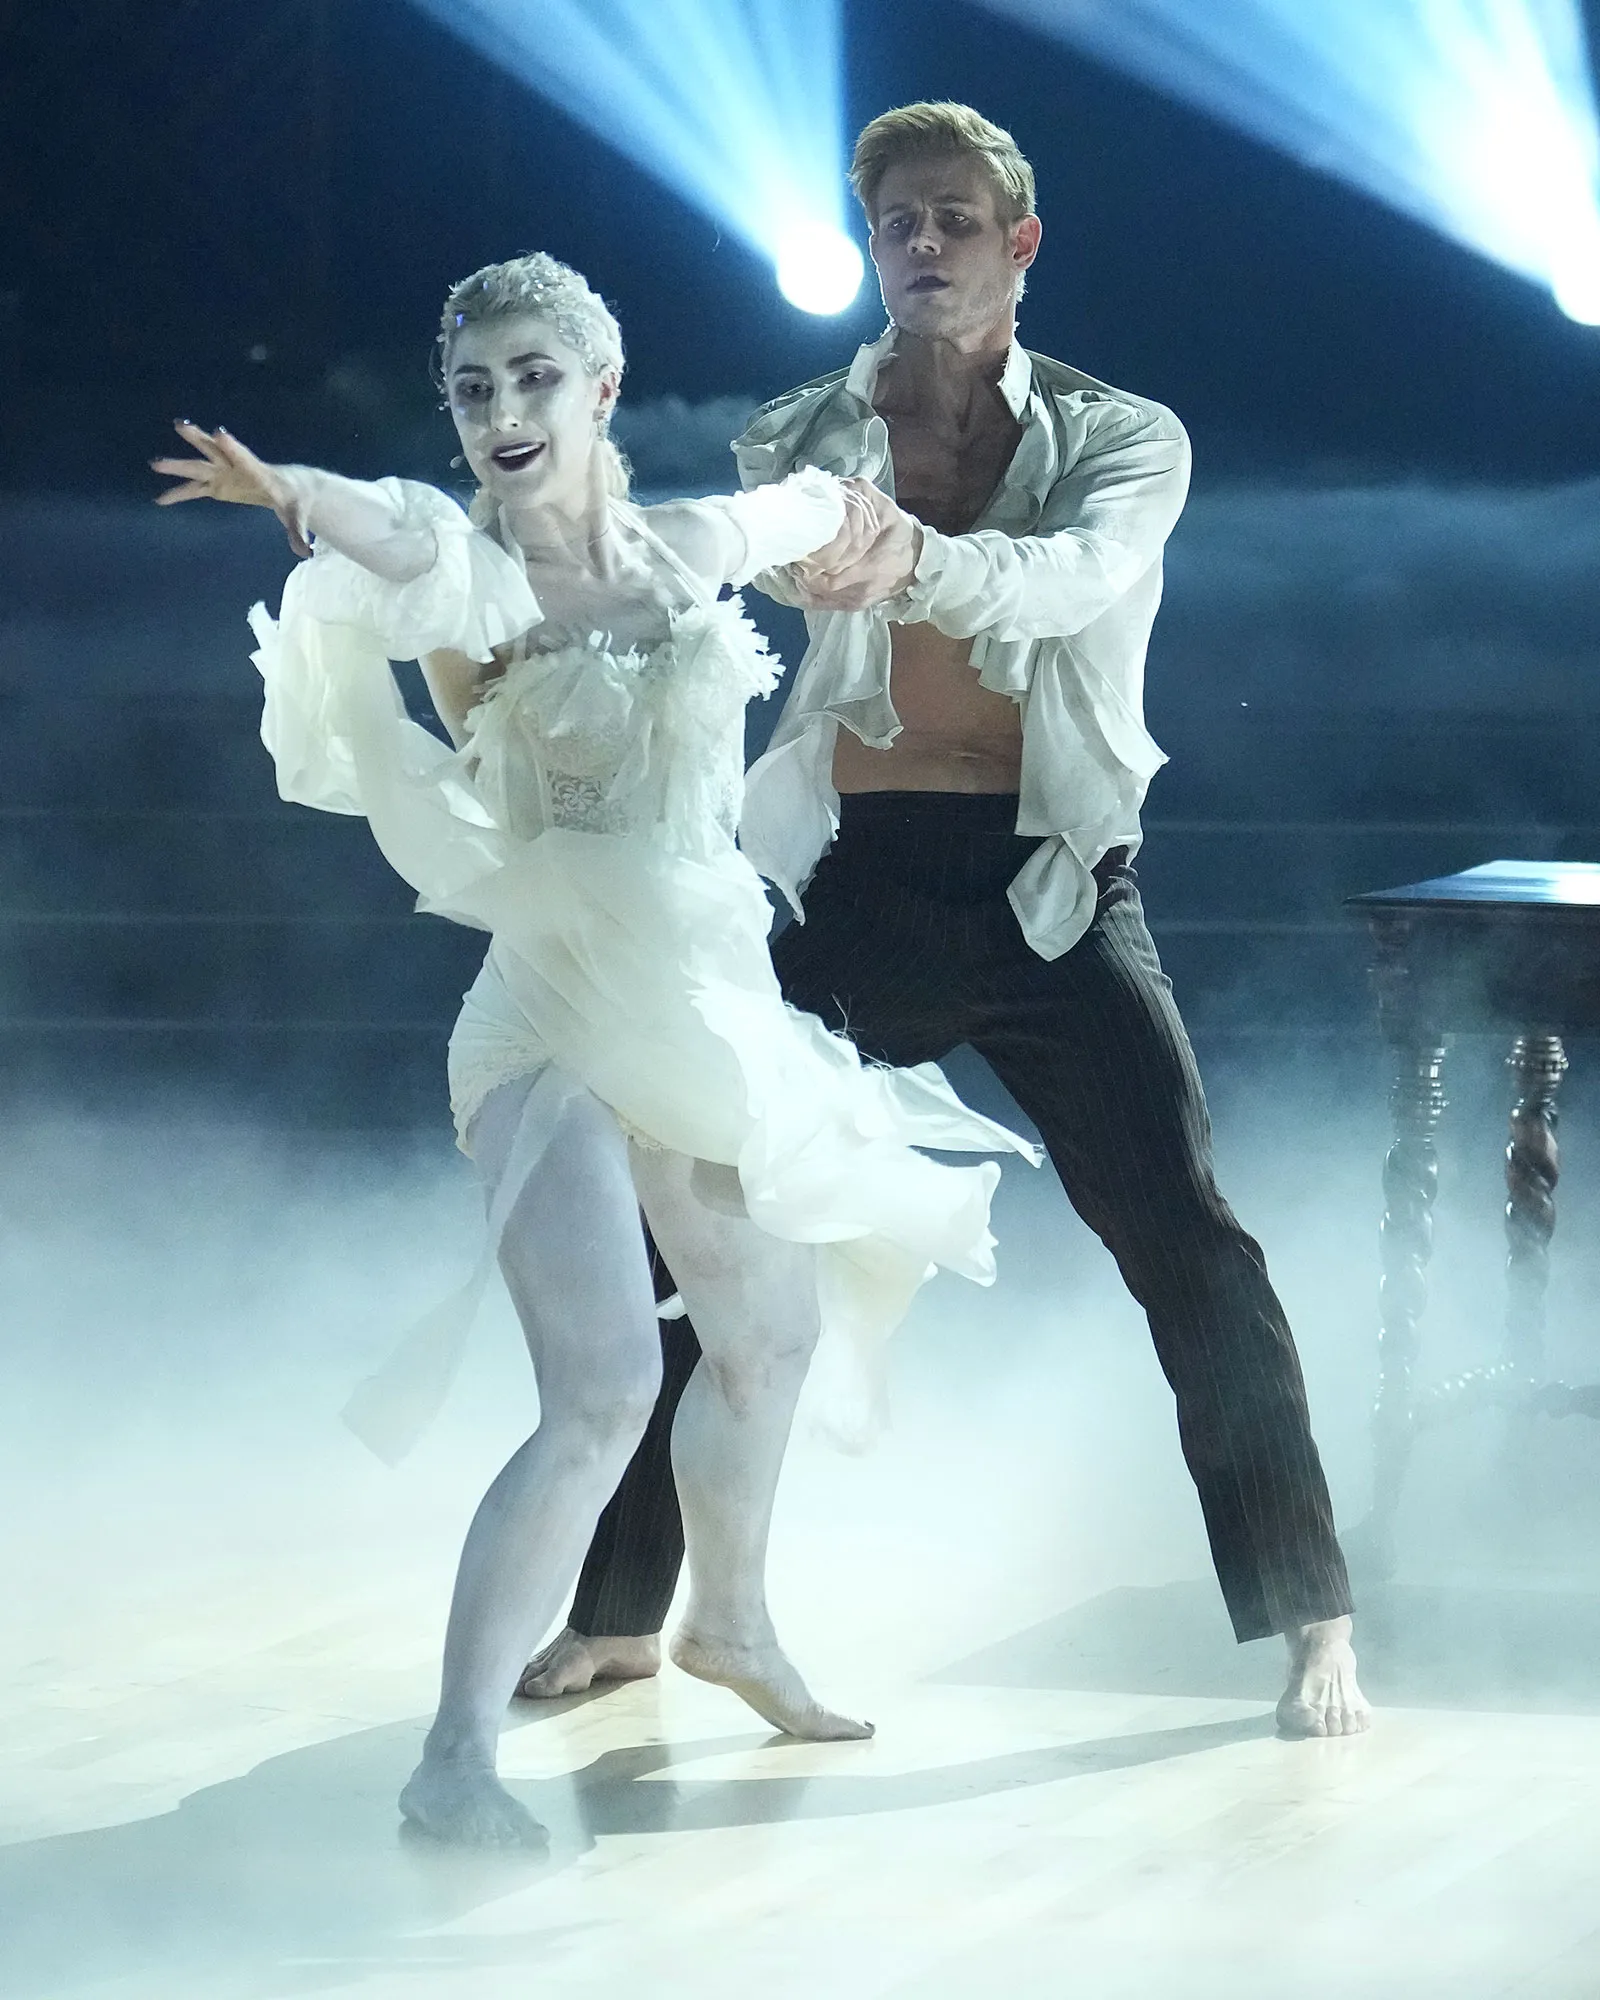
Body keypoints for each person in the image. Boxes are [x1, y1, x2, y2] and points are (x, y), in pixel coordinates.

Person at [152, 251, 1038, 1847]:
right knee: (605, 1389)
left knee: (769, 1334)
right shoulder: (467, 581)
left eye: (534, 377)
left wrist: (863, 506)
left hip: (699, 1010)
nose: (502, 411)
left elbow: (796, 516)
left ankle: (731, 1624)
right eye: (473, 388)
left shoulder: (683, 551)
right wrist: (288, 490)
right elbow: (390, 527)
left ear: (602, 388)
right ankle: (452, 1758)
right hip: (555, 1017)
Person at [521, 104, 1371, 1739]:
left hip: (1051, 888)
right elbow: (771, 564)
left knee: (1190, 1244)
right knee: (694, 1227)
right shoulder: (799, 430)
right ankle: (622, 1614)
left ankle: (1312, 1616)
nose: (922, 244)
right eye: (897, 220)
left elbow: (1065, 584)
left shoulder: (1128, 437)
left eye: (955, 219)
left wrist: (907, 556)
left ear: (1018, 244)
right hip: (854, 882)